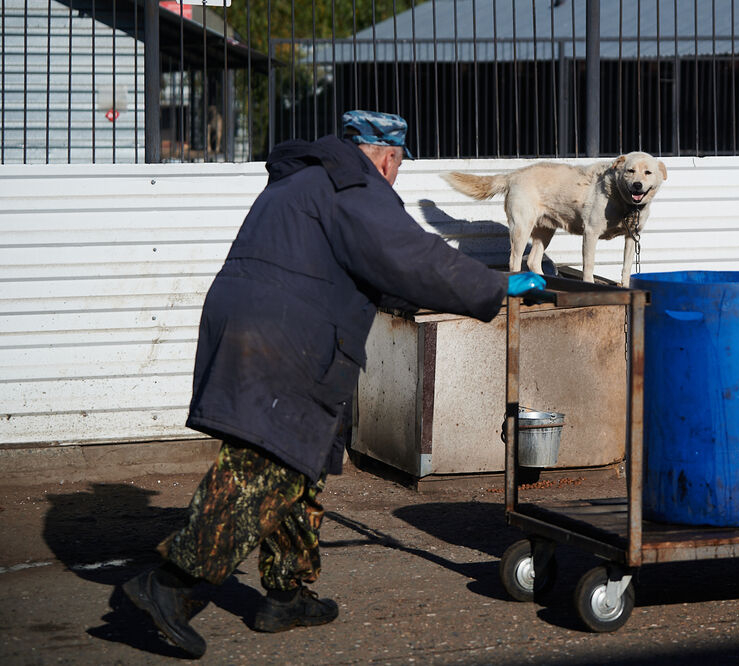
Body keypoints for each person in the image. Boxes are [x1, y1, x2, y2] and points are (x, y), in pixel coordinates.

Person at [122, 110, 546, 658]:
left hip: (261, 320)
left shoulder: (306, 178)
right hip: (284, 333)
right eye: (397, 166)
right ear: (387, 157)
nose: (394, 178)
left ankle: (286, 593)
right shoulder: (353, 185)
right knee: (262, 465)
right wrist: (496, 285)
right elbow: (410, 258)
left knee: (299, 456)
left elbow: (367, 268)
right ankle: (171, 587)